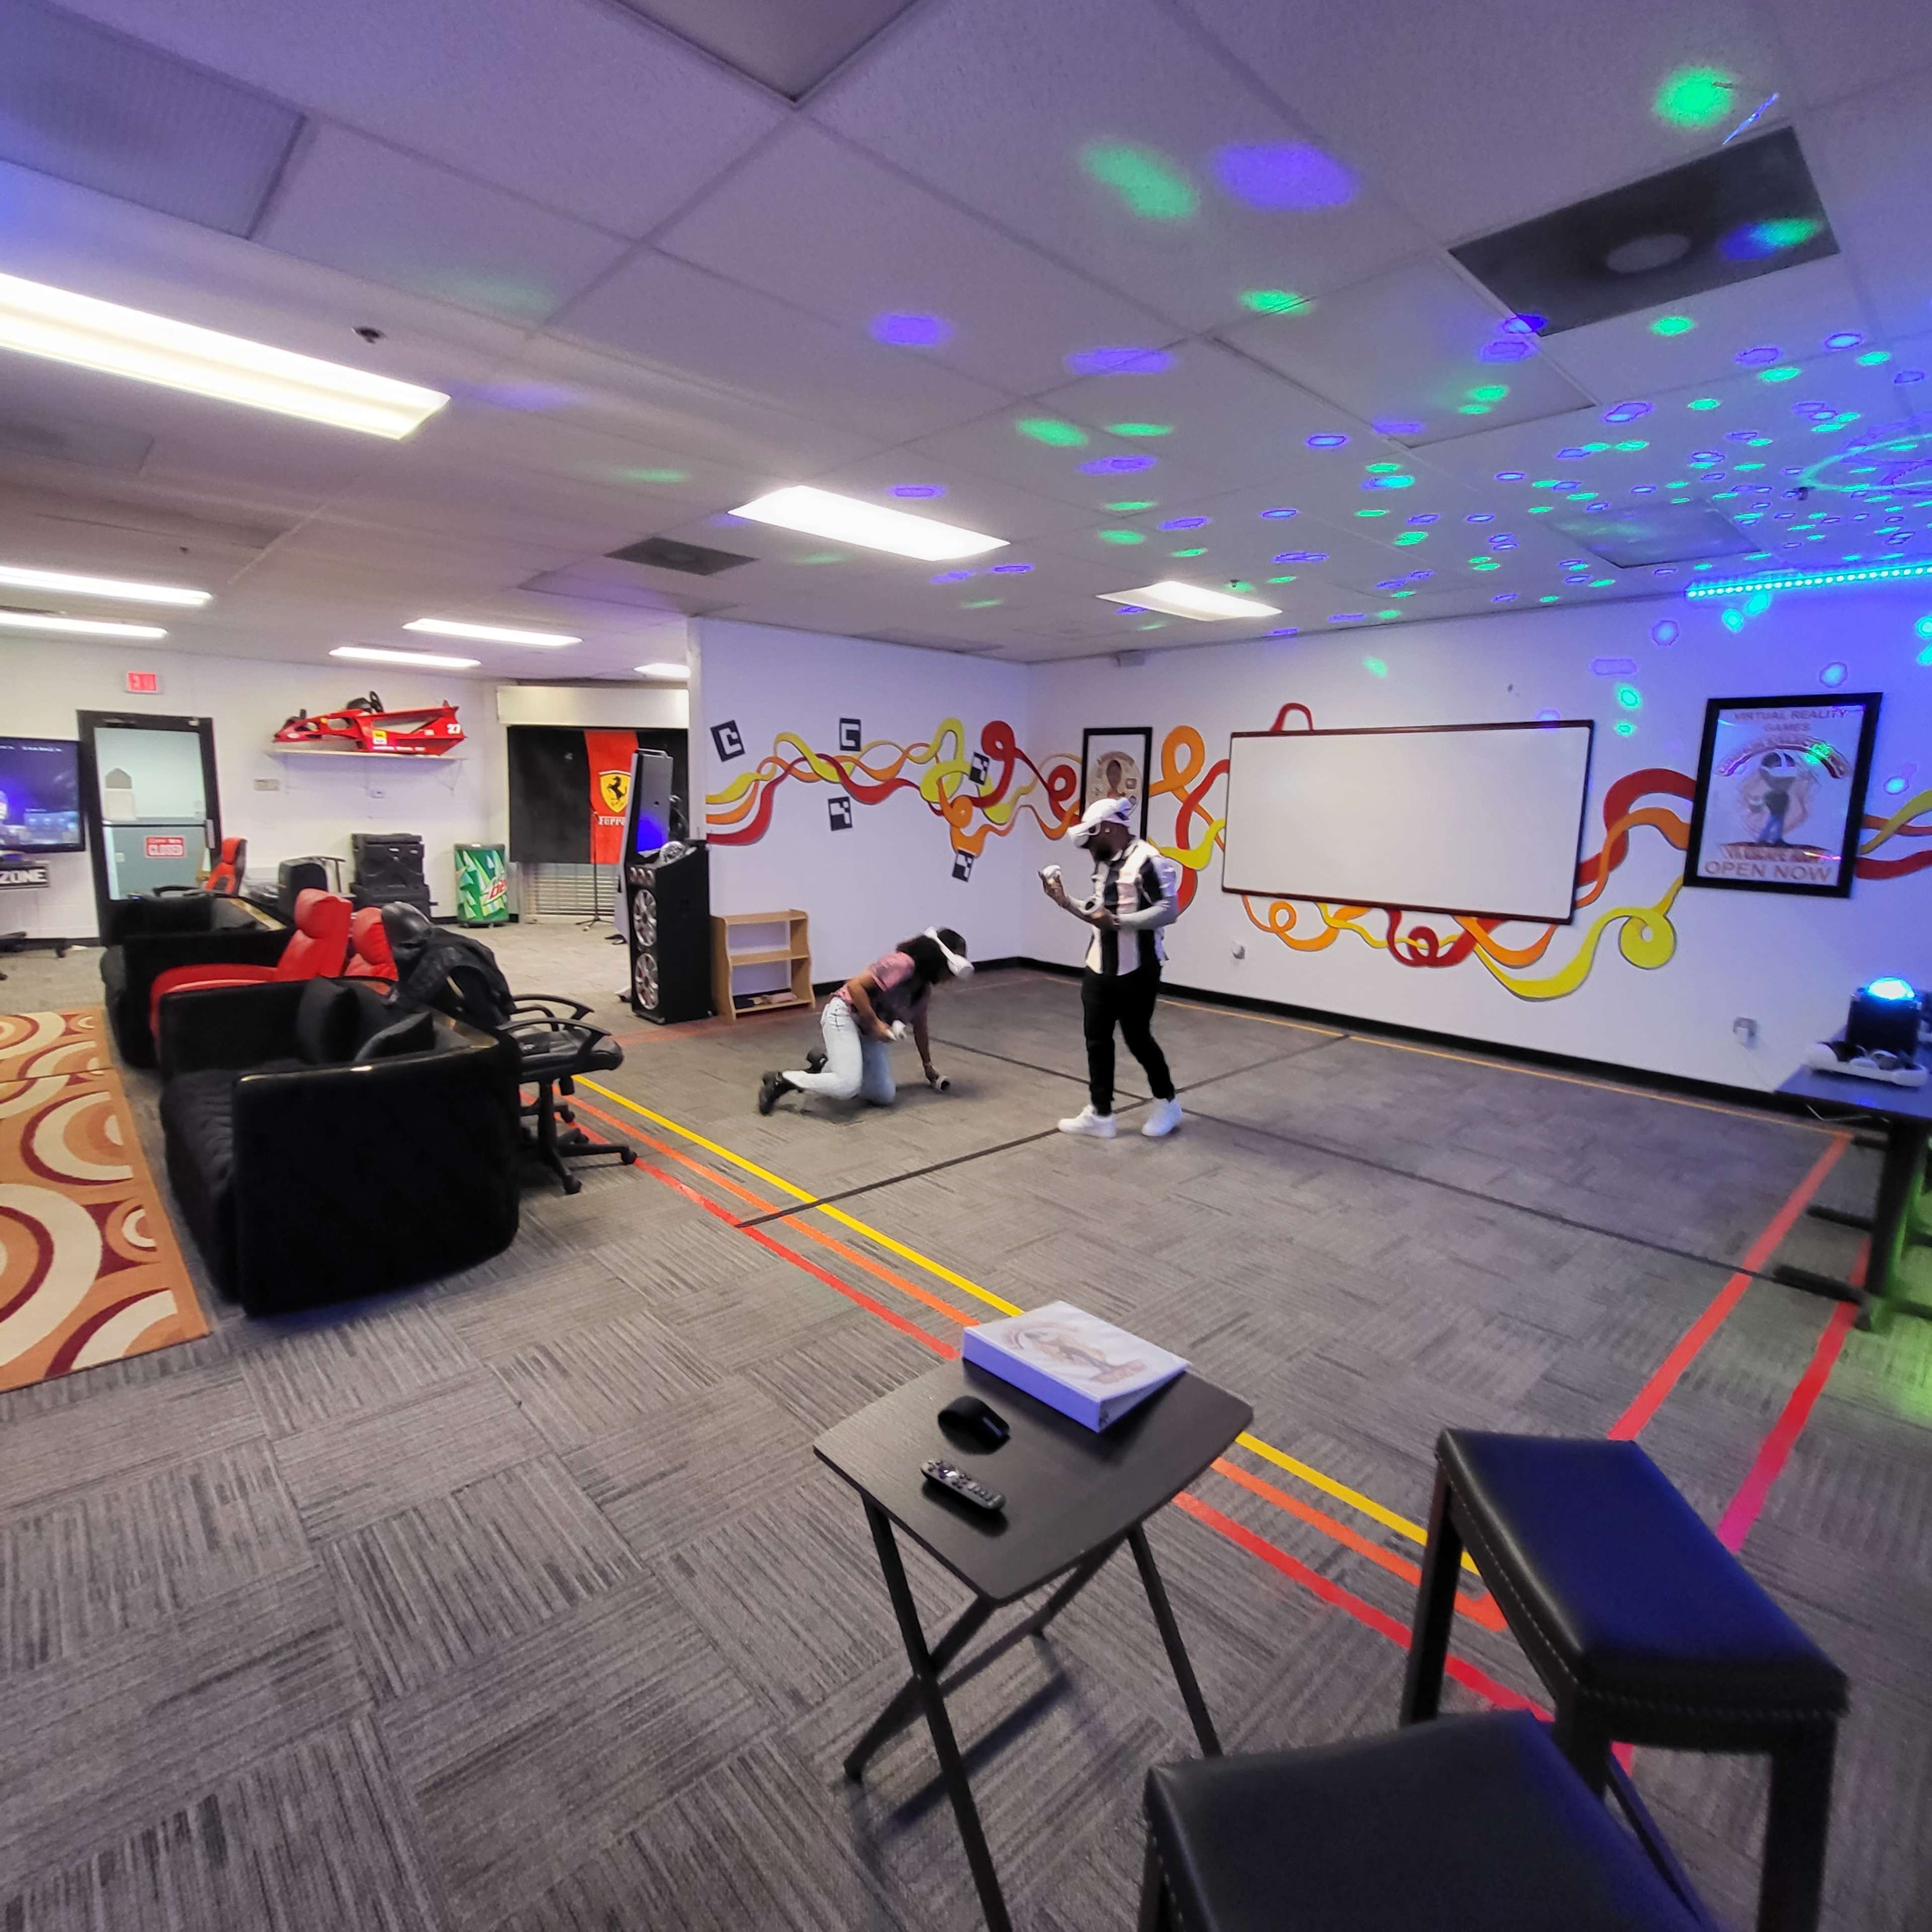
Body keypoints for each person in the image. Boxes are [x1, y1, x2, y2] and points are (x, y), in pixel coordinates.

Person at [1041, 795, 1183, 1140]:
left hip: (1139, 967)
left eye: (1092, 842)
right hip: (1098, 965)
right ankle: (1100, 1113)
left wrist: (1120, 922)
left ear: (1108, 828)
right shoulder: (1105, 864)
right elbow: (1098, 915)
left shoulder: (1149, 861)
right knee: (1097, 1040)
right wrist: (1064, 901)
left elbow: (1169, 910)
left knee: (1138, 1038)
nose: (1090, 851)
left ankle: (1168, 1102)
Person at [759, 927, 971, 1114]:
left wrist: (928, 1067)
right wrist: (877, 1024)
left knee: (884, 1095)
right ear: (940, 961)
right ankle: (783, 1079)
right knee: (847, 1086)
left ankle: (825, 1065)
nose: (949, 979)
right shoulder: (901, 964)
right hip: (844, 1015)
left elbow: (921, 1027)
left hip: (869, 1032)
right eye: (949, 972)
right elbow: (855, 987)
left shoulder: (922, 990)